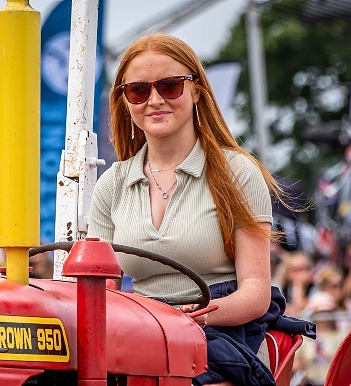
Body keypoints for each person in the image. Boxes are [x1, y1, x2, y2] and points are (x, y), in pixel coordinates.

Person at [87, 33, 305, 386]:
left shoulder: (237, 172)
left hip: (226, 334)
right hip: (142, 332)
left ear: (197, 91)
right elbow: (101, 292)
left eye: (170, 86)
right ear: (125, 100)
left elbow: (255, 292)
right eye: (139, 90)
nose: (155, 100)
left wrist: (197, 317)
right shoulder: (111, 183)